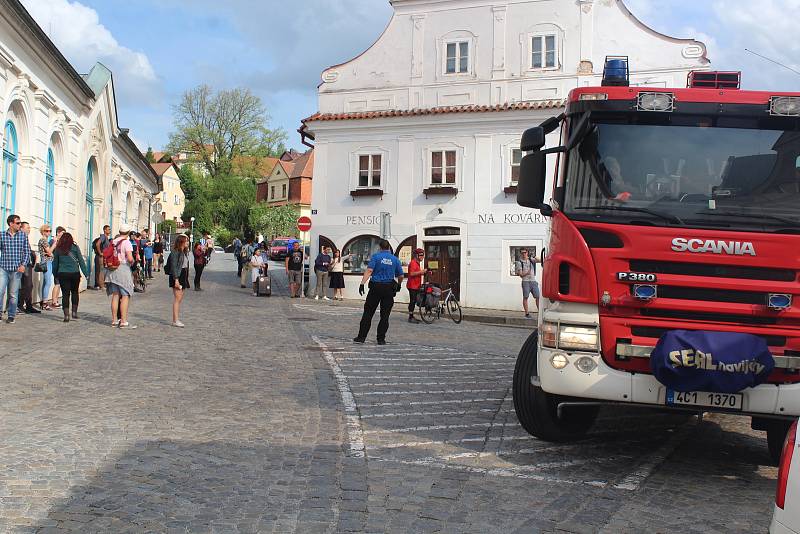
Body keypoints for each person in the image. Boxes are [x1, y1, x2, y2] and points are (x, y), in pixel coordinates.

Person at [354, 240, 404, 345]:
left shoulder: (376, 257)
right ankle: (381, 339)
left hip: (375, 288)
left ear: (380, 247)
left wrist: (362, 283)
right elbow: (401, 275)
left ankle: (361, 337)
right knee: (385, 316)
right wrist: (399, 284)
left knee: (368, 313)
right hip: (388, 289)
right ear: (389, 248)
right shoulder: (395, 259)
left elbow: (369, 271)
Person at [51, 232, 89, 322]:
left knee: (65, 294)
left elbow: (55, 263)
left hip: (63, 273)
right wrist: (86, 273)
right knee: (75, 292)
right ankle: (74, 312)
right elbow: (81, 261)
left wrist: (55, 274)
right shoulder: (75, 248)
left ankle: (66, 315)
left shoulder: (58, 249)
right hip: (74, 273)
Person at [105, 225, 137, 329]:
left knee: (115, 295)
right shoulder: (126, 242)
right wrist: (133, 261)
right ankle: (123, 321)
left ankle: (114, 320)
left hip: (112, 269)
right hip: (122, 269)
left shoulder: (113, 241)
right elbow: (130, 258)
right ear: (128, 233)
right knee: (125, 295)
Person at [0, 214, 30, 324]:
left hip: (17, 270)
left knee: (13, 294)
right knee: (0, 291)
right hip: (3, 268)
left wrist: (23, 265)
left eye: (20, 223)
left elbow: (27, 252)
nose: (20, 225)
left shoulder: (23, 236)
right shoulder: (2, 235)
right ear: (11, 224)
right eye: (18, 223)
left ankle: (11, 315)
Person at [166, 234, 190, 327]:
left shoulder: (184, 252)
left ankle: (176, 318)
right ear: (181, 242)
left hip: (183, 275)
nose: (188, 242)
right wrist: (176, 279)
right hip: (177, 276)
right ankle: (175, 320)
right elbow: (174, 267)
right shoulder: (175, 252)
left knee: (179, 299)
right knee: (177, 299)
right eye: (186, 241)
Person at [18, 222, 41, 314]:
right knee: (25, 285)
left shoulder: (25, 238)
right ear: (21, 228)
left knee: (29, 285)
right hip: (23, 264)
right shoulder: (19, 238)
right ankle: (20, 305)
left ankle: (28, 305)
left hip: (28, 264)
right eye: (27, 227)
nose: (29, 229)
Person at [515, 248, 541, 319]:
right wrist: (527, 273)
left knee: (537, 297)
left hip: (533, 281)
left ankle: (540, 313)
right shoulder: (519, 262)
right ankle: (527, 314)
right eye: (522, 253)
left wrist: (534, 256)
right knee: (525, 297)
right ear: (520, 253)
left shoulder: (531, 260)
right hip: (525, 282)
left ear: (527, 252)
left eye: (525, 252)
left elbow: (540, 261)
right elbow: (520, 274)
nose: (524, 254)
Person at [406, 248, 426, 324]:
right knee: (412, 301)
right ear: (417, 255)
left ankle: (411, 315)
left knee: (414, 301)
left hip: (416, 285)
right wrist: (421, 272)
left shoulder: (417, 263)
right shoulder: (413, 263)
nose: (422, 257)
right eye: (421, 255)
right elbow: (411, 273)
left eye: (423, 255)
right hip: (412, 285)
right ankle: (410, 317)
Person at [37, 225, 55, 310]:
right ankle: (44, 302)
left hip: (49, 262)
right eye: (47, 231)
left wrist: (50, 253)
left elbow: (49, 253)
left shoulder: (46, 241)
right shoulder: (43, 240)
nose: (49, 232)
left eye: (50, 231)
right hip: (46, 262)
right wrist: (55, 243)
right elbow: (49, 251)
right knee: (48, 282)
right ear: (43, 231)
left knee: (45, 282)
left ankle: (43, 301)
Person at [50, 226, 65, 309]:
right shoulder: (53, 241)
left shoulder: (60, 242)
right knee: (57, 283)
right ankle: (54, 301)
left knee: (59, 284)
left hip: (60, 265)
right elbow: (50, 252)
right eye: (62, 233)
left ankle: (55, 301)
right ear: (58, 233)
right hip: (55, 265)